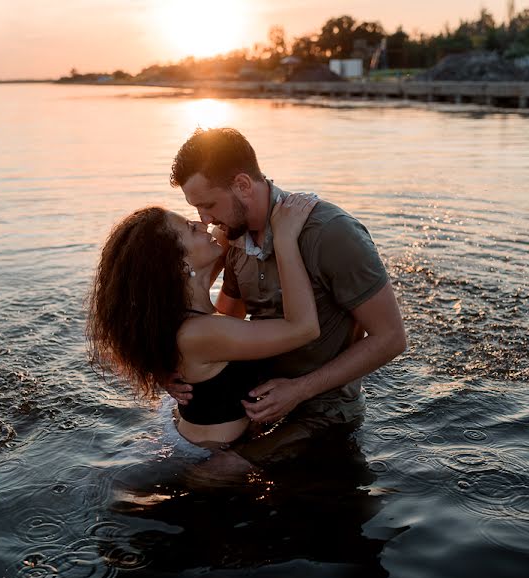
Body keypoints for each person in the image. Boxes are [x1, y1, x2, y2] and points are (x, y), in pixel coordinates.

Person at [166, 127, 406, 465]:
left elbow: (392, 338)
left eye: (208, 205)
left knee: (214, 474)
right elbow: (223, 323)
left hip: (324, 409)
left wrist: (300, 389)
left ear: (243, 185)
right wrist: (176, 371)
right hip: (254, 402)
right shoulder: (232, 237)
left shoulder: (331, 234)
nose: (205, 221)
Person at [85, 194, 321, 448]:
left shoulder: (171, 313)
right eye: (190, 227)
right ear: (179, 266)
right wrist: (286, 238)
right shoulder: (200, 332)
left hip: (193, 435)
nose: (202, 224)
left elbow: (224, 233)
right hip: (211, 459)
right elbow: (304, 328)